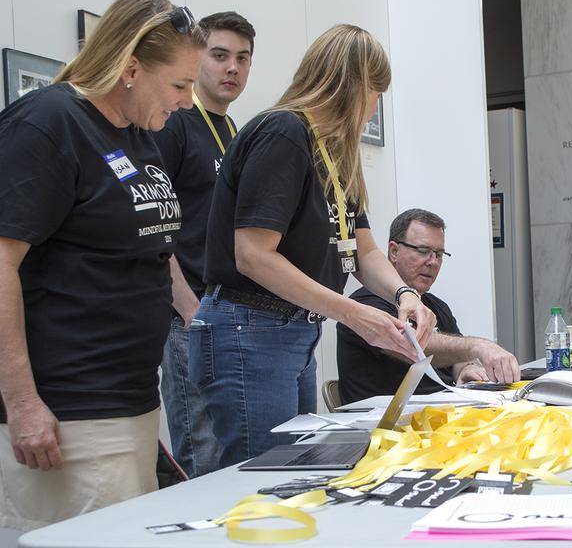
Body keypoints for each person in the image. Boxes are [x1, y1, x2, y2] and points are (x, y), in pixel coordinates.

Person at [0, 0, 204, 530]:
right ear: (131, 68)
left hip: (131, 400)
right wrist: (21, 403)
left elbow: (152, 249)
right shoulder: (47, 123)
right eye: (180, 85)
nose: (188, 101)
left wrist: (192, 313)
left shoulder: (137, 134)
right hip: (69, 412)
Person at [194, 24, 437, 470]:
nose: (373, 108)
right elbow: (252, 255)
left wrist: (405, 295)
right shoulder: (284, 133)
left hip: (291, 331)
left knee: (289, 471)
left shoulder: (331, 151)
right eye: (373, 92)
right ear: (350, 86)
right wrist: (352, 312)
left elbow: (363, 252)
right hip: (250, 327)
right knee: (261, 478)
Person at [155, 11, 255, 479]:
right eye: (219, 56)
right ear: (198, 60)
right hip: (188, 321)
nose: (231, 68)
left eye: (242, 58)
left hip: (224, 319)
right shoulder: (175, 124)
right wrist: (190, 311)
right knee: (202, 461)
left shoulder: (234, 132)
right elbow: (157, 229)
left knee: (232, 461)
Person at [337, 209, 521, 404]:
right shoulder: (365, 304)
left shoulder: (436, 306)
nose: (433, 262)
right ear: (394, 252)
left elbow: (455, 354)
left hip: (441, 413)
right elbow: (410, 346)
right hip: (384, 424)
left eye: (439, 254)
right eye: (423, 251)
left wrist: (465, 368)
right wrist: (478, 346)